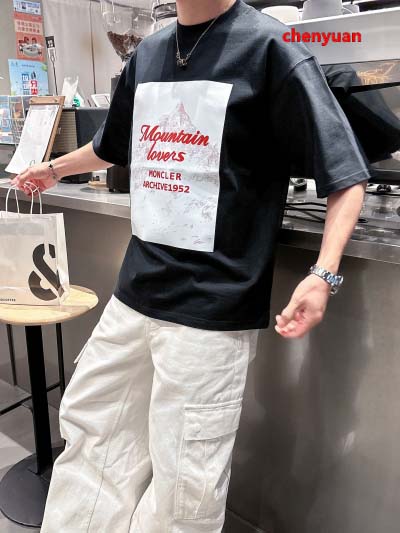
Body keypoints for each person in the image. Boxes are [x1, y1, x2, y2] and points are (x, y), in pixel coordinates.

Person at [12, 0, 370, 531]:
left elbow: (345, 175)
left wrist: (323, 274)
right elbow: (113, 145)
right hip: (135, 294)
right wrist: (54, 168)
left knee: (185, 480)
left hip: (211, 309)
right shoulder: (149, 53)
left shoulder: (272, 48)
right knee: (93, 433)